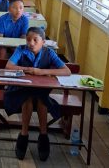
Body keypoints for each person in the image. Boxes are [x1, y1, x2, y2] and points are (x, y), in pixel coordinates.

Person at [4, 27, 71, 161]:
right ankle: (24, 134)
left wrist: (42, 72)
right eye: (29, 39)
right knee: (27, 99)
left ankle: (43, 135)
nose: (31, 43)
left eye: (35, 40)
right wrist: (28, 69)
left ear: (43, 42)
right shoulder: (21, 49)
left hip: (40, 91)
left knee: (42, 100)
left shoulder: (49, 53)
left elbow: (66, 71)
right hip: (19, 91)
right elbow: (9, 66)